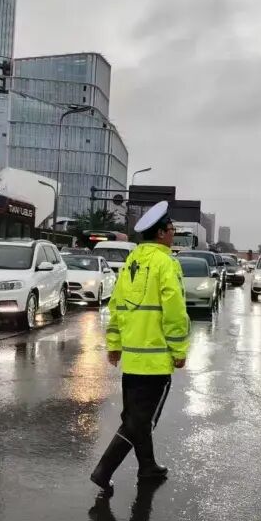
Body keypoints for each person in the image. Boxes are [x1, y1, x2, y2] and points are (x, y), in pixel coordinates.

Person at [91, 201, 189, 494]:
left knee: (135, 418)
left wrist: (115, 344)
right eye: (171, 230)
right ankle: (103, 470)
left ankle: (148, 467)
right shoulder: (166, 264)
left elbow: (116, 306)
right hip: (156, 360)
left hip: (132, 360)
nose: (173, 234)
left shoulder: (132, 261)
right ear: (160, 233)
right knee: (140, 421)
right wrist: (179, 350)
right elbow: (174, 312)